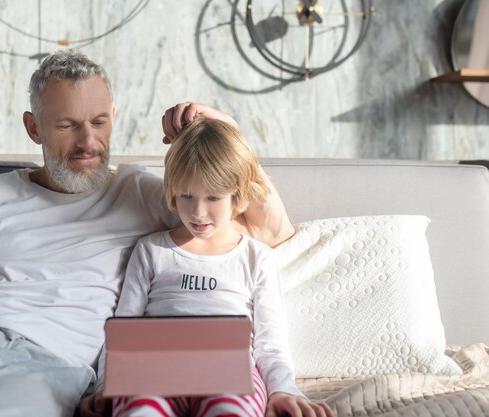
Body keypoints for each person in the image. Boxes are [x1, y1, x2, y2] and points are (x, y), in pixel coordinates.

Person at [0, 50, 295, 417]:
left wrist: (225, 125)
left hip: (42, 366)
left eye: (100, 122)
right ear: (34, 128)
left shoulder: (145, 194)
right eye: (67, 125)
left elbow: (267, 229)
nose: (88, 141)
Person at [85, 119, 333, 417]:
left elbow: (271, 343)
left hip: (228, 368)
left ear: (237, 196)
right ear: (173, 192)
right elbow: (122, 332)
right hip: (154, 366)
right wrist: (104, 386)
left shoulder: (256, 257)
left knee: (230, 410)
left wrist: (283, 389)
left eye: (213, 197)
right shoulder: (152, 250)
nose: (198, 212)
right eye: (187, 196)